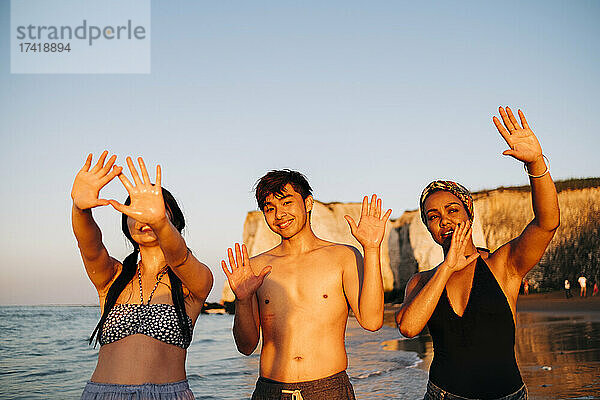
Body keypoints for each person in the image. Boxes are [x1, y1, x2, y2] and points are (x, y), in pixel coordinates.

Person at [396, 106, 560, 400]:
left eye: (452, 210)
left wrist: (536, 163)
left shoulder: (502, 265)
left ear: (469, 215)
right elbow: (408, 327)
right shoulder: (420, 282)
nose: (444, 220)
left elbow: (547, 223)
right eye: (433, 216)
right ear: (429, 228)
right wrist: (447, 267)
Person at [221, 170, 391, 400]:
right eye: (270, 208)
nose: (279, 214)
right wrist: (242, 300)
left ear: (308, 203)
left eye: (287, 202)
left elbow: (372, 321)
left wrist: (371, 249)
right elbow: (246, 346)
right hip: (270, 390)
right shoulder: (256, 267)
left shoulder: (343, 256)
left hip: (328, 389)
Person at [72, 152, 213, 399]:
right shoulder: (113, 278)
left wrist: (160, 223)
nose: (142, 217)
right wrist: (79, 209)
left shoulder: (192, 281)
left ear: (174, 220)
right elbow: (89, 246)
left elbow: (179, 257)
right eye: (134, 211)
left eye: (152, 211)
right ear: (125, 224)